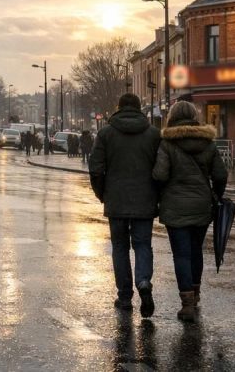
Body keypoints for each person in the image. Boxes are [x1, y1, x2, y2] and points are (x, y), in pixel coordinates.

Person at [152, 100, 227, 323]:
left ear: (172, 117)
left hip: (175, 206)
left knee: (181, 254)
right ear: (194, 116)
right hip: (202, 205)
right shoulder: (208, 143)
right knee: (196, 251)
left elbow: (160, 175)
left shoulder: (167, 143)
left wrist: (160, 194)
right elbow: (221, 175)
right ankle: (195, 295)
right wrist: (216, 195)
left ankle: (187, 304)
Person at [90, 93, 162, 317]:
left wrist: (103, 194)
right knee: (142, 245)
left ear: (118, 108)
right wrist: (156, 195)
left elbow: (96, 169)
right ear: (139, 108)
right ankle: (143, 282)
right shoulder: (153, 134)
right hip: (145, 201)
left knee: (120, 248)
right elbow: (160, 170)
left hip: (116, 200)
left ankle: (124, 297)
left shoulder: (106, 134)